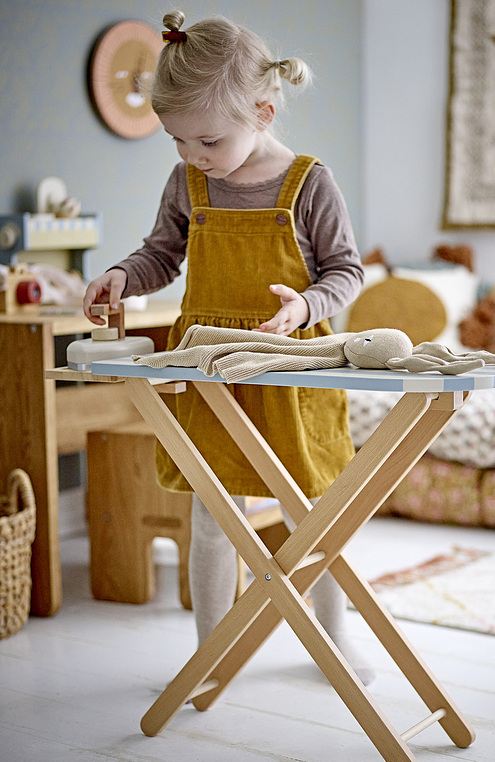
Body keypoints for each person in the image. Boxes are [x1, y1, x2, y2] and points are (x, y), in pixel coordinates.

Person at [83, 11, 374, 685]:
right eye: (176, 140)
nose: (191, 155)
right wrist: (125, 276)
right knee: (214, 516)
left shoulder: (310, 184)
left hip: (291, 369)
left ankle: (333, 640)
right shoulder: (189, 181)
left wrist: (305, 305)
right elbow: (162, 253)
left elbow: (348, 272)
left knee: (313, 512)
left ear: (264, 111)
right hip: (211, 369)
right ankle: (210, 654)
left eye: (207, 139)